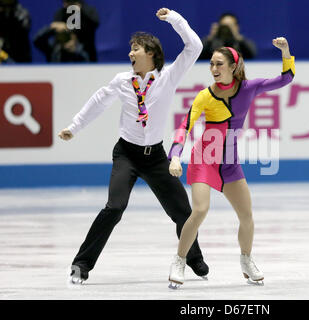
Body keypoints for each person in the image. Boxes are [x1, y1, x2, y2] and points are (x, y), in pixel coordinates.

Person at [58, 8, 209, 284]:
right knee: (114, 207)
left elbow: (195, 46)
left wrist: (174, 18)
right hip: (127, 154)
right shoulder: (122, 80)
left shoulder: (168, 76)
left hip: (156, 157)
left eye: (136, 48)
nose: (131, 53)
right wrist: (74, 127)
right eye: (130, 49)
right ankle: (81, 265)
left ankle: (193, 258)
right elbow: (99, 101)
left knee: (183, 212)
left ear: (151, 52)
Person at [166, 37, 295, 288]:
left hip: (230, 163)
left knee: (247, 216)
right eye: (211, 64)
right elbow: (185, 126)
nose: (214, 69)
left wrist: (286, 52)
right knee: (200, 211)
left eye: (219, 64)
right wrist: (175, 156)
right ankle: (179, 259)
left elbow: (286, 78)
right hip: (204, 159)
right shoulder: (205, 96)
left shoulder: (249, 87)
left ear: (233, 67)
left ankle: (246, 260)